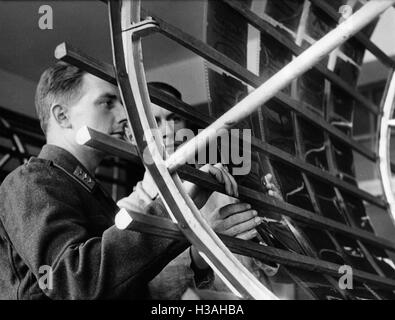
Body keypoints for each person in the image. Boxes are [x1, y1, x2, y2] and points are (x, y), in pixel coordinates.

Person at [0, 62, 262, 300]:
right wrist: (176, 205)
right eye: (107, 103)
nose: (125, 116)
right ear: (62, 116)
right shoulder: (30, 181)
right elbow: (76, 284)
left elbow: (134, 291)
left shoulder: (88, 192)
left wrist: (198, 255)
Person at [118, 82, 283, 299]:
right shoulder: (128, 213)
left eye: (174, 118)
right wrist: (205, 250)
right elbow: (156, 291)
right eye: (154, 121)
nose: (167, 132)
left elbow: (272, 270)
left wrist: (274, 221)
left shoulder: (219, 185)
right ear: (132, 135)